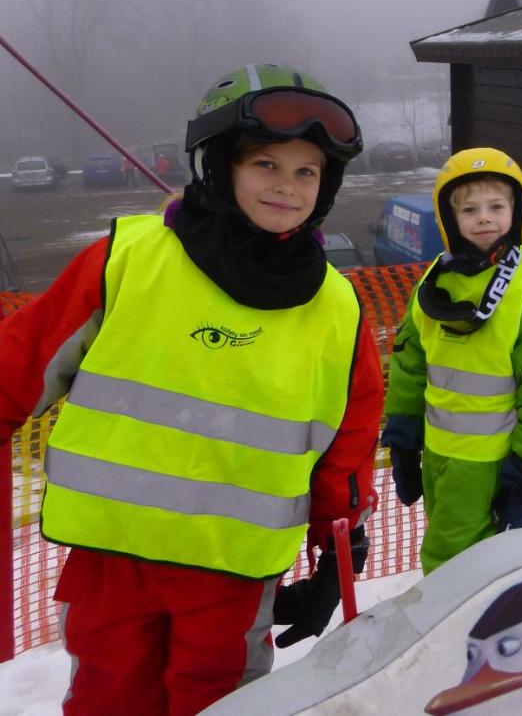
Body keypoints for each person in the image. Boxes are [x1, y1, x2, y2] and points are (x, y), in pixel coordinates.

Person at [0, 63, 383, 715]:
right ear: (219, 166)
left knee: (219, 704)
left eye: (306, 171)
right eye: (266, 163)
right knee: (107, 698)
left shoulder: (335, 307)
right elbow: (21, 362)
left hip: (230, 569)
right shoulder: (129, 260)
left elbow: (346, 436)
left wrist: (337, 542)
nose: (286, 186)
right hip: (112, 559)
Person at [382, 147, 522, 574]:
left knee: (449, 559)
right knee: (467, 552)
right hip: (438, 454)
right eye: (469, 209)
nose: (484, 218)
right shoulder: (436, 283)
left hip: (491, 463)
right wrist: (403, 434)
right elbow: (410, 361)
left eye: (497, 206)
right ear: (449, 218)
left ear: (518, 211)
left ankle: (459, 630)